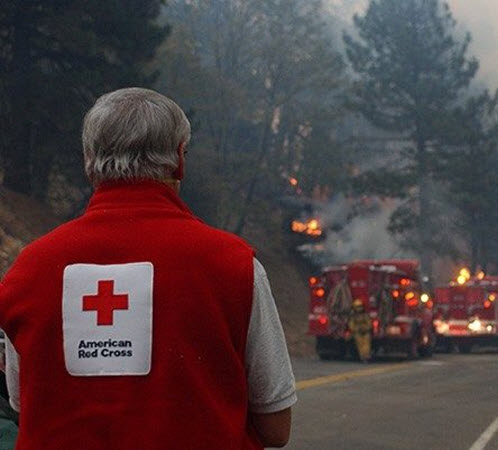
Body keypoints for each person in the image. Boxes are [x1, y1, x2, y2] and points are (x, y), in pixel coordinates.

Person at [0, 88, 296, 449]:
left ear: (88, 160)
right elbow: (275, 427)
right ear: (179, 162)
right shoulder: (234, 266)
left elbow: (24, 405)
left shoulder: (29, 270)